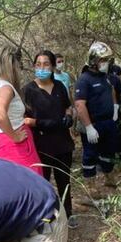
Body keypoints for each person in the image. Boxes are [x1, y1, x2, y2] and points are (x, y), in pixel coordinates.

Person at [23, 50, 76, 228]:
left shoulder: (60, 86)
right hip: (41, 146)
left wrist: (69, 116)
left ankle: (68, 214)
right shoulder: (28, 90)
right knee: (42, 184)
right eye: (38, 64)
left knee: (64, 182)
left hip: (62, 143)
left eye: (46, 64)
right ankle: (45, 218)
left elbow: (68, 107)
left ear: (53, 66)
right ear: (34, 67)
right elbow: (26, 120)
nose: (42, 68)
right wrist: (38, 123)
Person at [74, 42, 121, 197]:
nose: (106, 63)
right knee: (90, 155)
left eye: (107, 60)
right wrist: (88, 127)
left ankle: (109, 177)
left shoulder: (108, 78)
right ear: (94, 60)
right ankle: (91, 185)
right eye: (103, 60)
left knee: (108, 152)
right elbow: (80, 105)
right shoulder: (84, 79)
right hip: (92, 125)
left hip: (108, 122)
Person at [0, 46, 41, 172]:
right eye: (19, 66)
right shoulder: (5, 88)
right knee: (30, 181)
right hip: (16, 144)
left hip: (2, 141)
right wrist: (13, 136)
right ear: (12, 65)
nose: (19, 70)